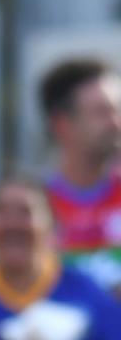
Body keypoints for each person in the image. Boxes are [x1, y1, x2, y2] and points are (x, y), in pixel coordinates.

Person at [0, 174, 121, 340]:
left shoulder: (86, 294)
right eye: (0, 211)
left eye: (26, 211)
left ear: (52, 224)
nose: (12, 224)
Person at [40, 59, 121, 295]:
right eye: (102, 112)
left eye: (118, 110)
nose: (116, 123)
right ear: (61, 124)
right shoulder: (29, 209)